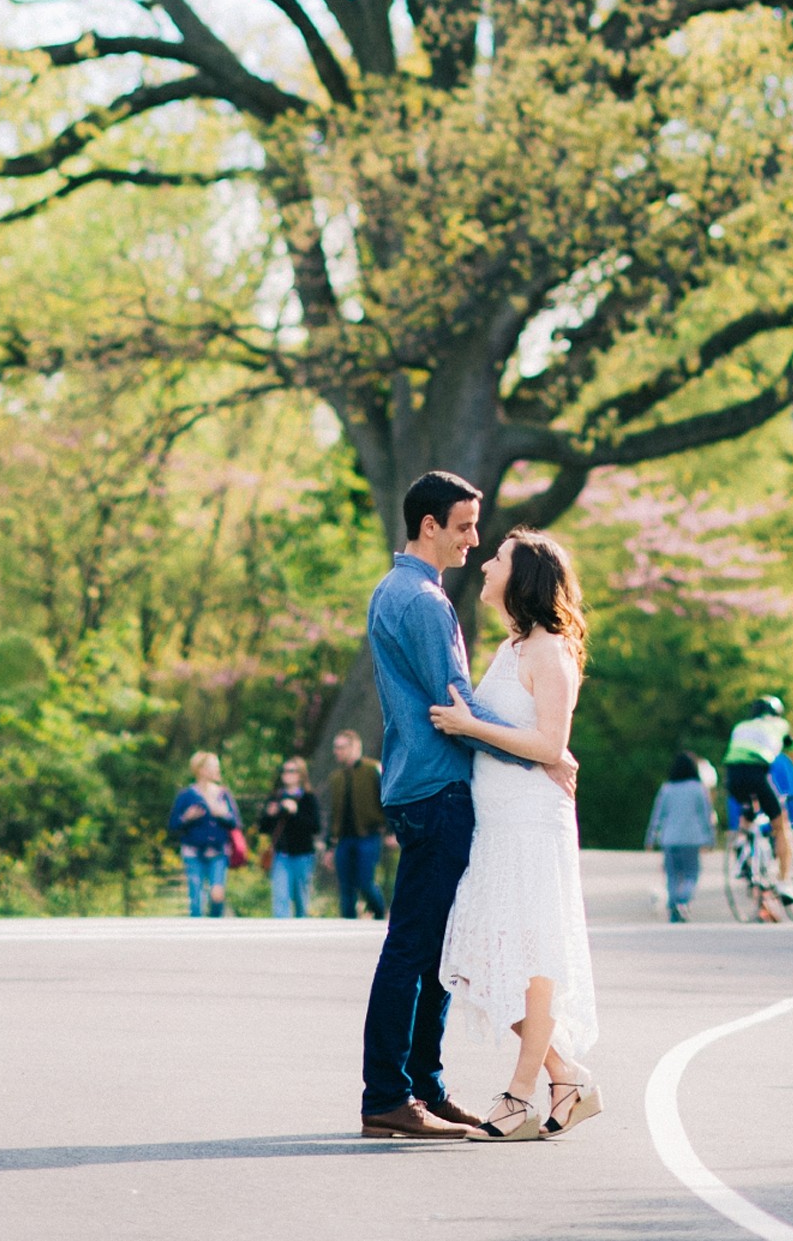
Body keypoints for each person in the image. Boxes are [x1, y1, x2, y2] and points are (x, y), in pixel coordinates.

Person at [358, 469, 576, 1142]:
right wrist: (543, 753)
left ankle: (424, 1085)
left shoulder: (402, 590)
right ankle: (390, 1094)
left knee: (433, 951)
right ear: (429, 525)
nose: (474, 541)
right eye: (463, 526)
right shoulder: (423, 600)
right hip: (437, 786)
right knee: (415, 949)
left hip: (424, 783)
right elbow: (456, 701)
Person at [433, 528, 601, 1140]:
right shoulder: (512, 647)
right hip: (498, 821)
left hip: (532, 820)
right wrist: (471, 722)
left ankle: (519, 1095)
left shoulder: (551, 650)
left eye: (498, 558)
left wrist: (467, 724)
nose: (484, 564)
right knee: (480, 957)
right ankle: (567, 1075)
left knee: (531, 957)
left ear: (523, 575)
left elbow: (549, 745)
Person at [722, 695, 793, 899]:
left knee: (749, 809)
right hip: (757, 773)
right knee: (781, 825)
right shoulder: (780, 725)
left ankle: (742, 843)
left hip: (732, 776)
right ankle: (784, 883)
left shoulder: (741, 726)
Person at [324, 729, 388, 919]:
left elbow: (385, 798)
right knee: (345, 886)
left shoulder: (372, 770)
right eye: (335, 748)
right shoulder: (336, 777)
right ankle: (348, 923)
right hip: (344, 838)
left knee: (365, 881)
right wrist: (329, 845)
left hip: (368, 834)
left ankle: (379, 914)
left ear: (354, 747)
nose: (337, 751)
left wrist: (391, 829)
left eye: (341, 747)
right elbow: (333, 813)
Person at [168, 750, 241, 918]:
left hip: (218, 852)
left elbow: (235, 822)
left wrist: (222, 814)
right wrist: (187, 817)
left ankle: (215, 926)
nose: (217, 770)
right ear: (200, 770)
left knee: (217, 895)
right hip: (193, 852)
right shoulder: (186, 795)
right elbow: (173, 824)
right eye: (213, 767)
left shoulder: (223, 794)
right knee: (196, 899)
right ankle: (196, 937)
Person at [647, 752, 717, 922]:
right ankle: (682, 901)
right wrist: (710, 838)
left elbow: (658, 815)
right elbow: (706, 815)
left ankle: (673, 905)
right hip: (692, 839)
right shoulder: (698, 789)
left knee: (672, 876)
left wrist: (650, 837)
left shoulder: (667, 789)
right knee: (691, 874)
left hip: (669, 839)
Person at [262, 756, 321, 918]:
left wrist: (296, 812)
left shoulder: (308, 798)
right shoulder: (276, 797)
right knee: (280, 897)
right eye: (284, 771)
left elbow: (315, 827)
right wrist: (269, 815)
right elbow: (263, 827)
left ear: (301, 774)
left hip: (303, 855)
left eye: (292, 771)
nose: (287, 774)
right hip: (281, 854)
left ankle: (300, 932)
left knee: (301, 899)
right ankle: (281, 933)